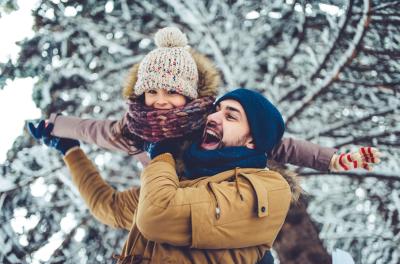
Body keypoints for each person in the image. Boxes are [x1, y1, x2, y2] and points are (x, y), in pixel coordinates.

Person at [36, 26, 380, 176]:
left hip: (226, 199)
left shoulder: (208, 121)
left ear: (188, 94)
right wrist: (58, 123)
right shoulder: (135, 131)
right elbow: (96, 131)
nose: (160, 101)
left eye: (171, 92)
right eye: (152, 92)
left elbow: (282, 146)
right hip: (173, 209)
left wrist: (333, 160)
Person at [29, 88, 295, 264]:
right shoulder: (177, 181)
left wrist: (161, 156)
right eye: (215, 110)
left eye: (230, 116)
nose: (213, 117)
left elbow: (157, 215)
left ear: (252, 141)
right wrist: (71, 151)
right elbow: (107, 206)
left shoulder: (269, 189)